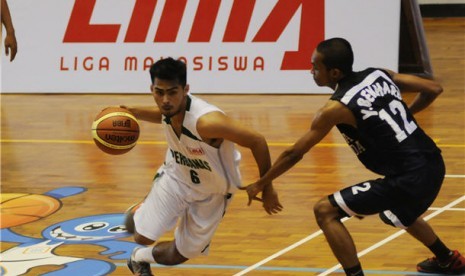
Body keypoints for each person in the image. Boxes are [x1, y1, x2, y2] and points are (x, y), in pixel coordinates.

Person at [242, 37, 465, 275]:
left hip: (410, 178)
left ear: (335, 72)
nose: (311, 71)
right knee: (395, 211)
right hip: (434, 162)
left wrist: (261, 183)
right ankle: (447, 259)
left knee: (324, 211)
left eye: (316, 67)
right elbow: (433, 88)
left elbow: (294, 153)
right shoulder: (378, 74)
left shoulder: (335, 108)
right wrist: (406, 116)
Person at [123, 57, 282, 275]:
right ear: (152, 89)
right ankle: (149, 204)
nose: (165, 100)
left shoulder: (208, 122)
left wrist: (267, 186)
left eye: (172, 92)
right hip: (177, 177)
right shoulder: (168, 109)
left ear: (186, 89)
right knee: (142, 236)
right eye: (159, 92)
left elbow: (257, 141)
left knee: (178, 255)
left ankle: (138, 259)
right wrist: (131, 112)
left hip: (214, 191)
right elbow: (163, 114)